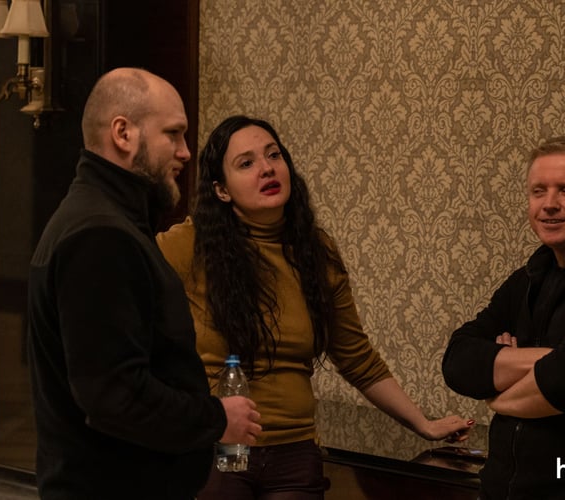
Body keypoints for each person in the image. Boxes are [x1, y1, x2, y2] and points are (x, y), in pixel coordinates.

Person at [156, 115, 473, 499]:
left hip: (295, 453)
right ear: (221, 190)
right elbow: (120, 299)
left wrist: (423, 424)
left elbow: (356, 357)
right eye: (246, 163)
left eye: (274, 155)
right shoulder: (188, 245)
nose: (267, 168)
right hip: (219, 452)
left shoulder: (316, 251)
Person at [27, 68, 262, 499]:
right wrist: (216, 419)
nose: (186, 152)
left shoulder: (103, 220)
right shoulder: (100, 235)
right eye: (173, 134)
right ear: (123, 133)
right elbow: (115, 395)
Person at [442, 135, 565, 500]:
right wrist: (555, 363)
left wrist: (499, 388)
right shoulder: (530, 275)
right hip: (499, 488)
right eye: (538, 191)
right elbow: (457, 360)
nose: (549, 204)